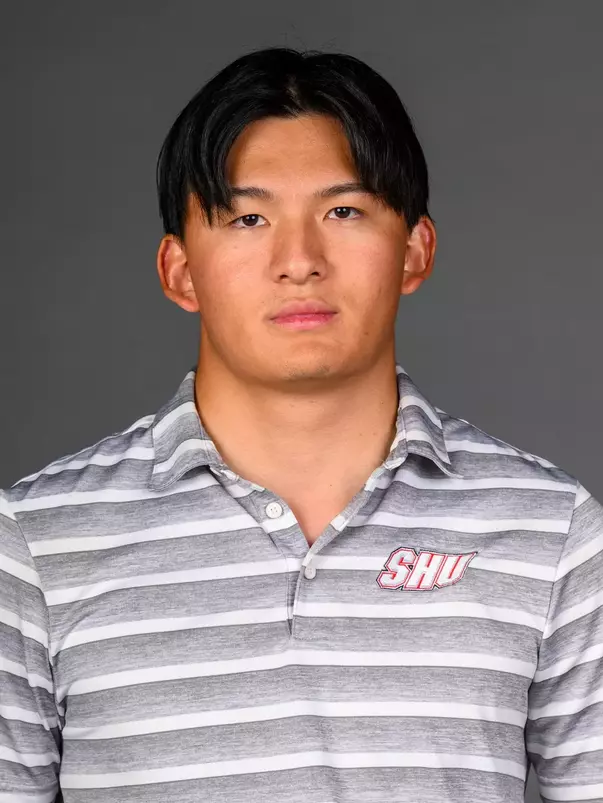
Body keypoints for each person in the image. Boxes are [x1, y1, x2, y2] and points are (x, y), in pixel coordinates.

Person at [0, 46, 601, 803]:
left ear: (414, 251)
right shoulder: (36, 542)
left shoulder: (551, 533)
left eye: (342, 211)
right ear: (178, 269)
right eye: (248, 217)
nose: (299, 259)